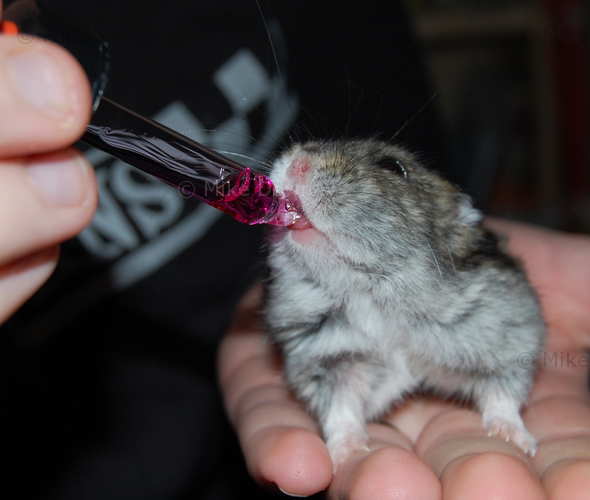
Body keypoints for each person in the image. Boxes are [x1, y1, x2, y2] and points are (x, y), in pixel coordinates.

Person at [1, 1, 589, 499]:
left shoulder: (478, 289)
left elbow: (373, 64)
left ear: (457, 230)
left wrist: (501, 409)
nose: (299, 162)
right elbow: (318, 365)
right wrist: (343, 427)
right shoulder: (299, 315)